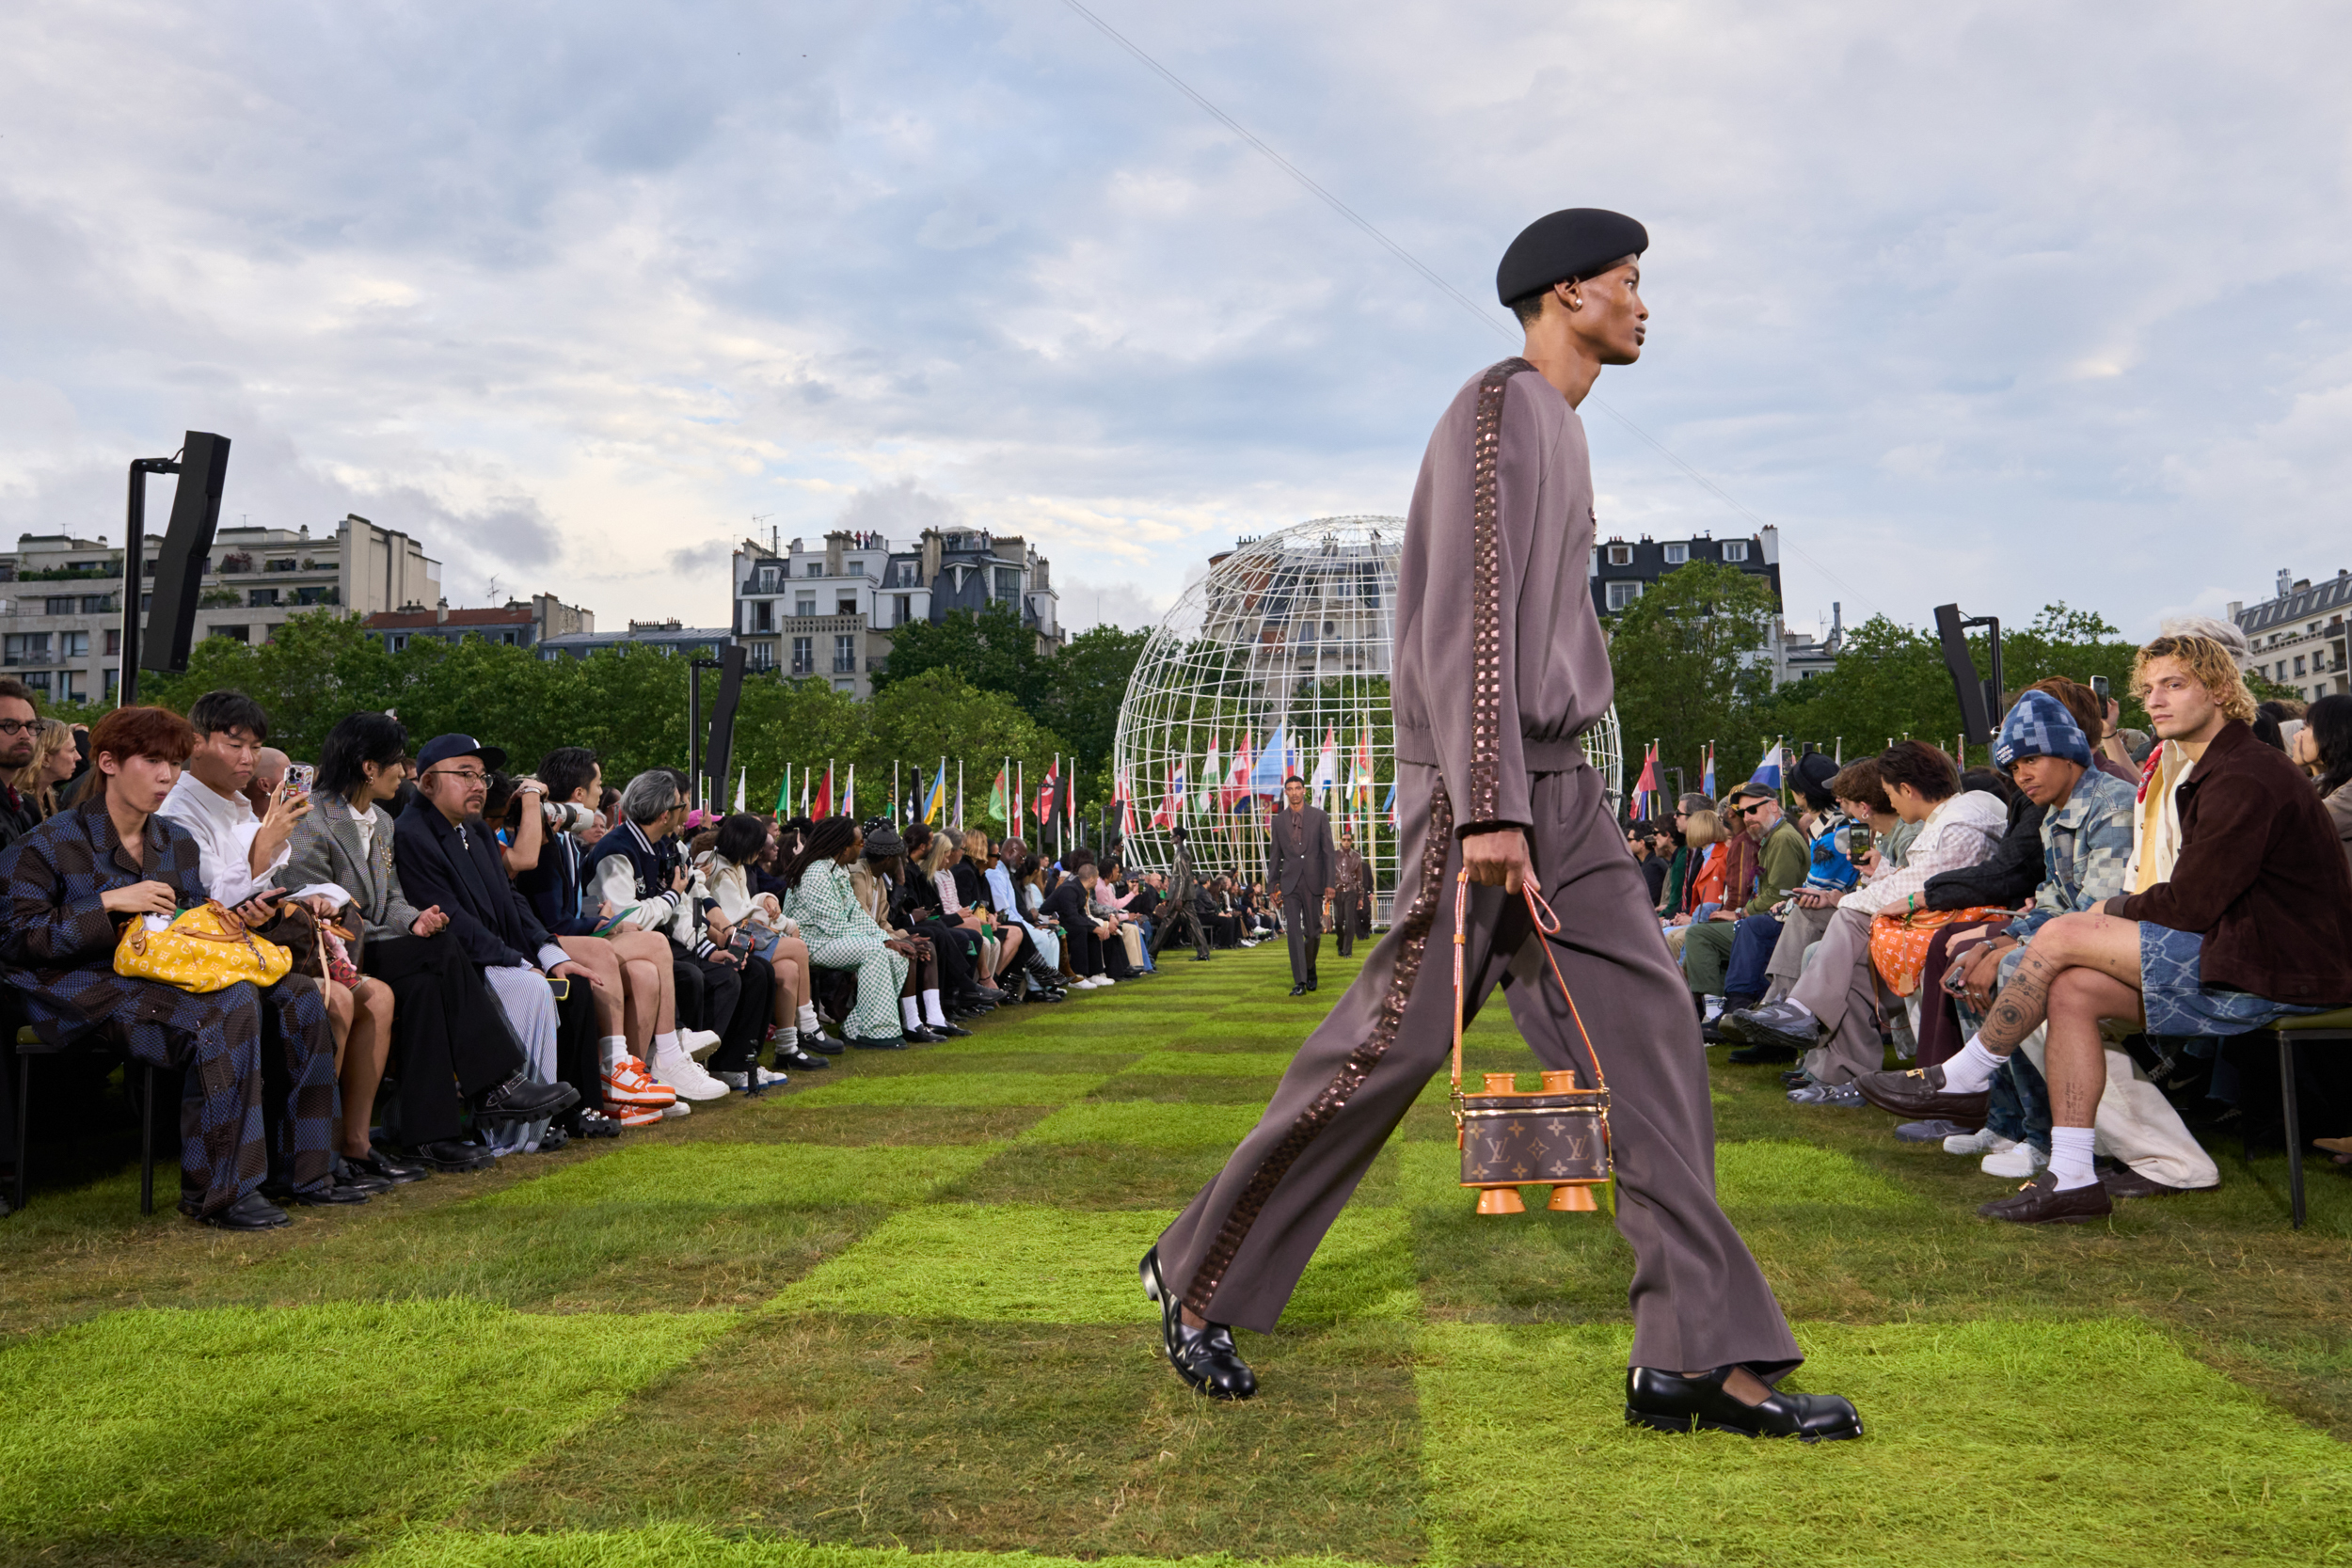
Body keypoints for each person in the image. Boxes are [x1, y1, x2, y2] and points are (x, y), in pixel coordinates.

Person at [1144, 208, 1856, 1439]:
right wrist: (1487, 805)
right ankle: (1198, 1270)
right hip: (1494, 791)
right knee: (1390, 1045)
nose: (1645, 305)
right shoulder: (1504, 405)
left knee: (1652, 1055)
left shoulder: (1560, 428)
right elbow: (1472, 613)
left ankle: (1695, 1354)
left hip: (1561, 792)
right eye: (1630, 284)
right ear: (1569, 294)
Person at [1858, 634, 2352, 1222]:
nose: (2155, 701)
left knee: (2064, 936)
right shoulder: (2215, 769)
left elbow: (2193, 903)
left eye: (2174, 685)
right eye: (2148, 690)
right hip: (2247, 952)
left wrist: (2105, 913)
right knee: (2070, 989)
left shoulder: (2246, 774)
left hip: (2286, 967)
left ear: (2220, 690)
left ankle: (1966, 1074)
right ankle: (2073, 1174)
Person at [0, 706, 346, 1228]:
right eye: (153, 761)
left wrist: (239, 917)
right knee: (227, 1005)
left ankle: (306, 1172)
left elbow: (186, 924)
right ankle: (221, 1192)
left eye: (175, 764)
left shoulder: (172, 841)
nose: (167, 776)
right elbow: (17, 939)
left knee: (296, 993)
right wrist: (110, 903)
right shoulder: (47, 843)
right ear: (110, 762)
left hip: (158, 973)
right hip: (73, 982)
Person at [279, 711, 576, 1172]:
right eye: (396, 761)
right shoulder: (310, 819)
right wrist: (412, 929)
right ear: (368, 766)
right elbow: (316, 910)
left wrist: (415, 919)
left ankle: (428, 1136)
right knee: (440, 951)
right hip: (335, 954)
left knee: (424, 986)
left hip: (376, 947)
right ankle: (497, 1083)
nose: (405, 770)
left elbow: (392, 898)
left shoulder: (381, 820)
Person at [1723, 742, 2006, 1085]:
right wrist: (1873, 880)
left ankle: (1803, 1021)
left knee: (1845, 926)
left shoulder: (1955, 824)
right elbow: (1919, 879)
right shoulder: (1948, 820)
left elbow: (1920, 883)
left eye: (1890, 793)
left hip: (1948, 930)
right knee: (1841, 932)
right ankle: (1806, 1029)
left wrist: (1846, 900)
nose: (1891, 802)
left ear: (1906, 789)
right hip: (1937, 924)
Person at [391, 734, 591, 1152]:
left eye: (481, 776)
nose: (479, 785)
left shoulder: (475, 831)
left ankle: (558, 1118)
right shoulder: (413, 834)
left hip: (495, 957)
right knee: (531, 987)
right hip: (462, 966)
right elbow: (451, 919)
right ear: (427, 783)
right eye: (465, 774)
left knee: (574, 984)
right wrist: (516, 960)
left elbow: (511, 899)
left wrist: (550, 953)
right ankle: (509, 1131)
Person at [578, 769, 732, 1102]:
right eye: (682, 807)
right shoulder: (617, 851)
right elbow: (625, 917)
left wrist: (704, 944)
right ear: (666, 814)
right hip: (597, 942)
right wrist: (670, 898)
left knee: (659, 969)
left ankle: (639, 1075)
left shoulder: (655, 845)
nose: (684, 814)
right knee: (662, 948)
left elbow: (675, 903)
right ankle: (669, 1051)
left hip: (621, 943)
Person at [777, 816, 910, 1049]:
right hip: (809, 942)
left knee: (897, 957)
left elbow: (857, 915)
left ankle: (857, 1028)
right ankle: (875, 1032)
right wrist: (881, 943)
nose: (863, 848)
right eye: (860, 843)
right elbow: (834, 926)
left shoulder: (835, 869)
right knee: (873, 951)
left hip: (830, 939)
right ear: (844, 846)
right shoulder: (816, 872)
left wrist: (888, 939)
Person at [1266, 776, 1335, 994]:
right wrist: (1271, 886)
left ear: (1304, 791)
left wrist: (1330, 883)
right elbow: (1275, 856)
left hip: (1314, 881)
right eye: (1290, 789)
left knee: (1314, 932)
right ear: (1285, 792)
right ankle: (1300, 982)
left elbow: (1328, 852)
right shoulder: (1278, 821)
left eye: (1298, 788)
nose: (1294, 792)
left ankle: (1310, 967)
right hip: (1289, 883)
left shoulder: (1319, 816)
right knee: (1294, 932)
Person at [2289, 692, 2352, 872]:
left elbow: (2296, 822)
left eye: (2305, 727)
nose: (2296, 736)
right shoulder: (2323, 782)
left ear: (2333, 733)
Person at [1152, 826, 1214, 961]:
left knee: (1168, 921)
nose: (1170, 838)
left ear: (1178, 837)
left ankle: (1152, 953)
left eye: (1172, 835)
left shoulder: (1182, 853)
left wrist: (1177, 897)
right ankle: (1203, 952)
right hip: (1183, 894)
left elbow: (1183, 877)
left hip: (1180, 894)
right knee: (1193, 922)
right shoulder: (1181, 852)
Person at [1329, 827, 1369, 958]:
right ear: (1340, 841)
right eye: (1344, 839)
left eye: (1348, 840)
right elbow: (1329, 874)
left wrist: (1360, 897)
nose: (1346, 842)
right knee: (1338, 922)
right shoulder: (1334, 855)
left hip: (1351, 892)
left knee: (1350, 921)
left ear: (1351, 841)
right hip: (1337, 892)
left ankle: (1348, 951)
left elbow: (1359, 878)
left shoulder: (1356, 857)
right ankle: (1340, 944)